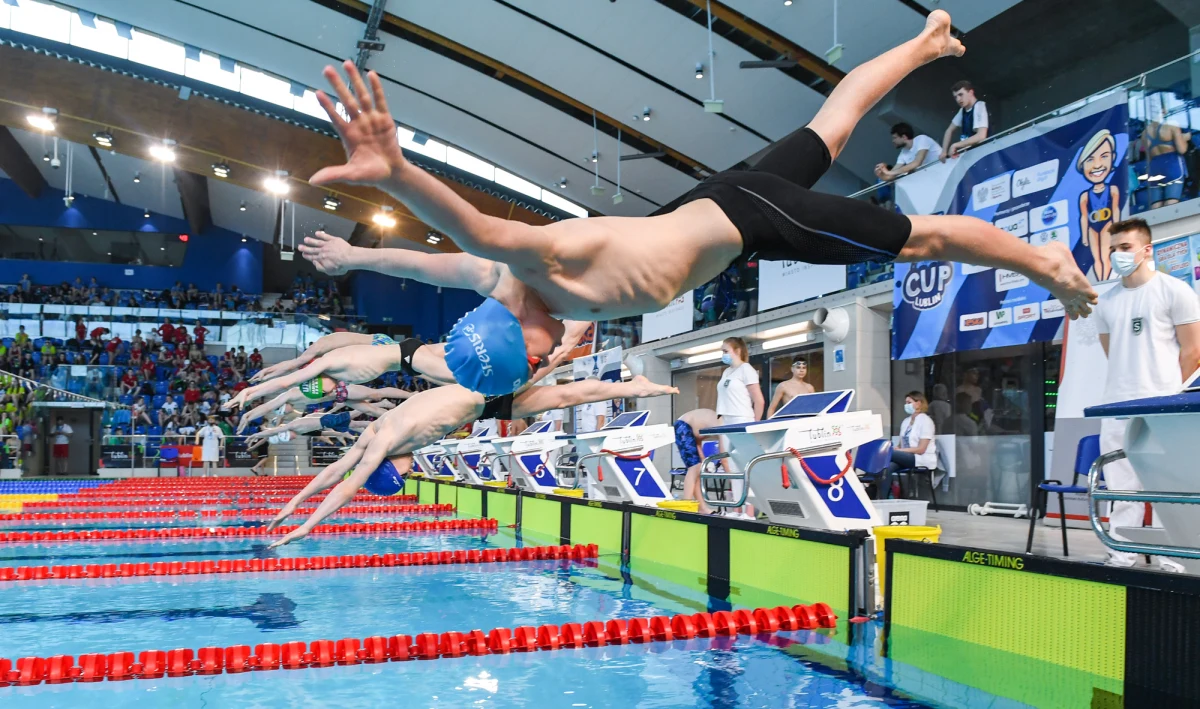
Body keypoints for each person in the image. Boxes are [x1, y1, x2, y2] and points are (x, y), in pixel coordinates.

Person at [298, 13, 1096, 398]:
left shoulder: (545, 265)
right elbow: (433, 262)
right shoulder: (507, 290)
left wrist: (396, 173)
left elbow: (475, 227)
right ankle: (924, 43)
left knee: (919, 240)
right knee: (828, 127)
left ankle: (1046, 264)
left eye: (538, 354)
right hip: (715, 209)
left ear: (519, 334)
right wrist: (358, 257)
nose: (553, 355)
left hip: (747, 218)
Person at [267, 375, 678, 546]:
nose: (413, 471)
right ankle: (634, 385)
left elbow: (346, 485)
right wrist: (289, 509)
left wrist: (306, 525)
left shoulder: (385, 442)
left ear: (393, 468)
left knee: (557, 365)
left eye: (404, 476)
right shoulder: (374, 436)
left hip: (485, 391)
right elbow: (335, 472)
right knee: (564, 392)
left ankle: (631, 380)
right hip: (479, 399)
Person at [1093, 218, 1200, 570]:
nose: (1118, 255)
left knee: (1171, 490)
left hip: (1165, 411)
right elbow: (1115, 353)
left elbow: (1193, 351)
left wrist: (1166, 396)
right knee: (1122, 488)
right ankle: (1122, 555)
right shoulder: (1105, 303)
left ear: (1146, 249)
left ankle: (1174, 558)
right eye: (1113, 249)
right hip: (1117, 406)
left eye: (1125, 247)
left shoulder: (1175, 291)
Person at [884, 391, 937, 499]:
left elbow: (921, 449)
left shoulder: (926, 421)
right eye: (905, 402)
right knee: (887, 468)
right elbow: (901, 444)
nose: (906, 405)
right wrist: (898, 449)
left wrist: (899, 451)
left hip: (920, 458)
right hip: (906, 457)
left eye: (909, 402)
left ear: (919, 403)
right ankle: (881, 500)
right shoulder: (906, 421)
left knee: (887, 453)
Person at [1139, 107, 1191, 209]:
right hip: (1172, 164)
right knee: (1172, 201)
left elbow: (1149, 157)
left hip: (1154, 167)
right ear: (1163, 111)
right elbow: (1182, 149)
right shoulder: (1171, 125)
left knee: (1156, 205)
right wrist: (1186, 137)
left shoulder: (1144, 133)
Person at [675, 408, 721, 515]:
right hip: (683, 426)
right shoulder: (721, 422)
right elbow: (724, 457)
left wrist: (704, 459)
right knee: (694, 468)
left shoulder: (712, 422)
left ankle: (702, 508)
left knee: (697, 469)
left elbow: (697, 440)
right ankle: (686, 505)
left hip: (686, 427)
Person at [940, 79, 988, 160]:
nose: (958, 99)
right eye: (955, 97)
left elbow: (981, 136)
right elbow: (949, 130)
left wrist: (955, 145)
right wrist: (944, 151)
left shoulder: (980, 106)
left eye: (961, 94)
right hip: (972, 155)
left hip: (985, 153)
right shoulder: (962, 111)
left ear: (971, 92)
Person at [876, 122, 942, 181]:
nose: (893, 141)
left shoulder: (922, 139)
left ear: (904, 137)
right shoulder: (903, 153)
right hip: (932, 178)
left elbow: (917, 163)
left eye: (895, 138)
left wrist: (889, 172)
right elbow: (889, 176)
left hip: (943, 170)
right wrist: (881, 173)